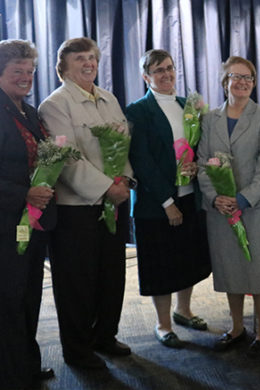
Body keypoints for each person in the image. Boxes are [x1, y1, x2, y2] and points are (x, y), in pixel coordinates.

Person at [38, 37, 133, 369]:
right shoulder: (54, 104)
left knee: (111, 275)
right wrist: (108, 188)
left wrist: (124, 183)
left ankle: (104, 336)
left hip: (115, 202)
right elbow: (66, 159)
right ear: (63, 66)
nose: (89, 63)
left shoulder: (109, 98)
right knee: (77, 283)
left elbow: (123, 145)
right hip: (75, 210)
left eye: (92, 57)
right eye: (80, 58)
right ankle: (77, 351)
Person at [126, 49, 211, 348]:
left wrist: (197, 166)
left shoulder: (187, 106)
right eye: (158, 70)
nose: (166, 74)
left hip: (189, 196)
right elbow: (141, 160)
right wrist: (167, 202)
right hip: (156, 205)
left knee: (187, 258)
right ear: (146, 77)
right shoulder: (137, 111)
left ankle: (183, 310)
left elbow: (198, 147)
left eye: (170, 68)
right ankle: (163, 324)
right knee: (160, 264)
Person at [197, 56, 260, 357]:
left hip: (257, 208)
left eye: (249, 78)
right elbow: (202, 162)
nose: (243, 82)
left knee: (259, 271)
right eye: (236, 77)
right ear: (225, 82)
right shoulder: (209, 119)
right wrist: (214, 197)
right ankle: (235, 328)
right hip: (220, 209)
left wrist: (243, 198)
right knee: (230, 268)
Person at [0, 39, 56, 389]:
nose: (25, 77)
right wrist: (24, 193)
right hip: (5, 226)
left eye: (30, 71)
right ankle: (10, 374)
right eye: (17, 71)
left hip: (33, 224)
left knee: (29, 296)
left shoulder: (30, 112)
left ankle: (26, 365)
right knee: (8, 300)